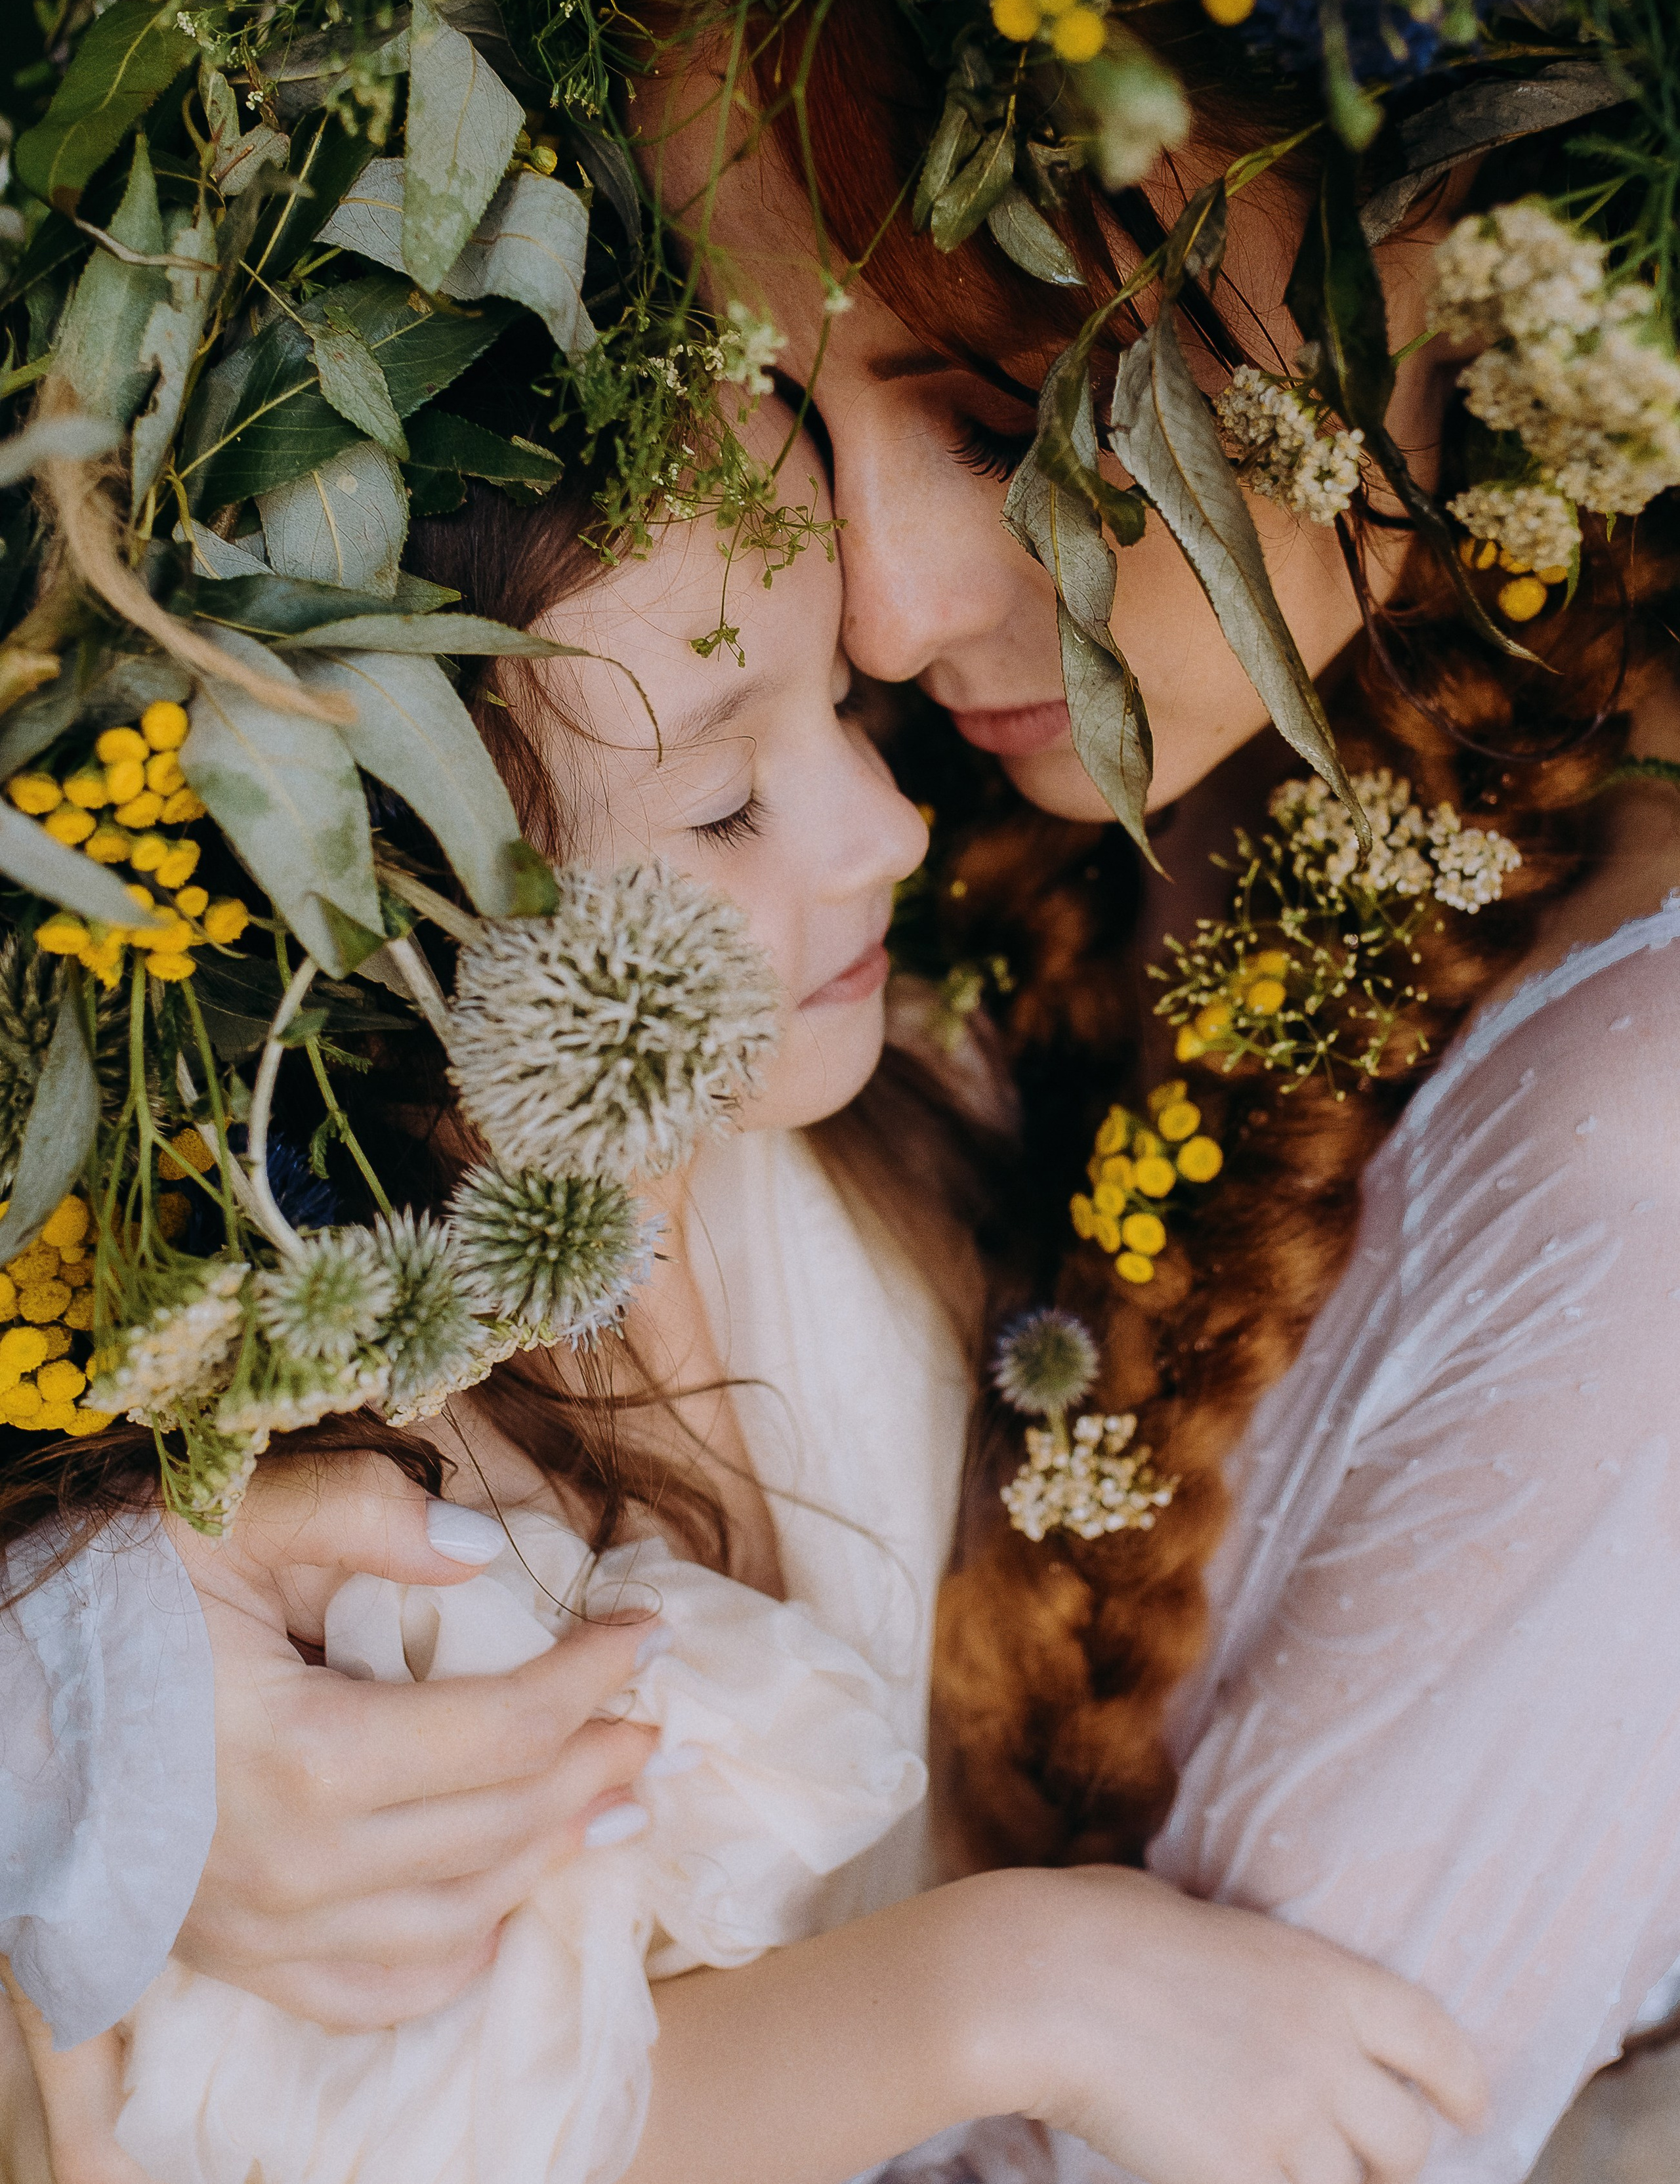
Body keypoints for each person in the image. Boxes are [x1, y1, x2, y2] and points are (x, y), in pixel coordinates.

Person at [1, 404, 1482, 2184]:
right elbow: (433, 2137)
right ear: (381, 922)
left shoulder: (884, 1104)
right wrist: (1017, 1992)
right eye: (724, 805)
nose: (888, 826)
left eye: (841, 707)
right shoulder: (393, 1512)